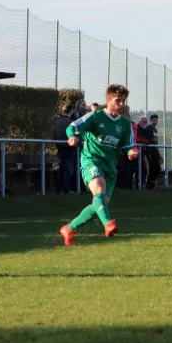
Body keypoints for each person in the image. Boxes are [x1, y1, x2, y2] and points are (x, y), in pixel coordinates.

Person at [59, 84, 138, 246]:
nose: (121, 104)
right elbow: (72, 126)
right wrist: (72, 137)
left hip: (110, 168)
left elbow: (129, 144)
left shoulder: (125, 124)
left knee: (99, 205)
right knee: (99, 188)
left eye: (123, 101)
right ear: (108, 100)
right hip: (91, 160)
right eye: (118, 100)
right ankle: (108, 224)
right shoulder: (95, 117)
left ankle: (69, 228)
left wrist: (131, 151)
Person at [54, 103, 75, 194]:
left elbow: (54, 136)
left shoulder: (56, 122)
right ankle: (66, 189)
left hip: (59, 147)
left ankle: (58, 189)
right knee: (68, 169)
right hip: (69, 148)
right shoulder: (71, 122)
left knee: (60, 169)